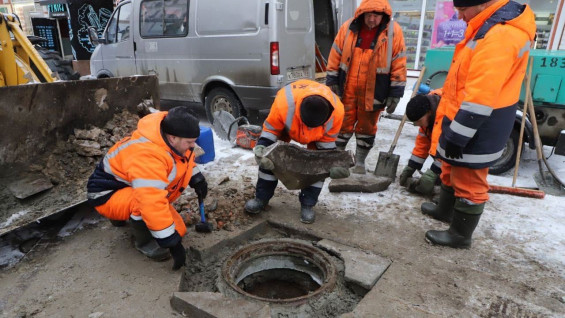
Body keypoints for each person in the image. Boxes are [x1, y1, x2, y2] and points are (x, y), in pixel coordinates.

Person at [423, 0, 536, 248]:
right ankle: (445, 211)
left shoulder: (500, 34)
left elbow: (481, 95)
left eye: (463, 10)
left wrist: (458, 135)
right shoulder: (487, 27)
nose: (461, 17)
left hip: (480, 120)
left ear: (482, 4)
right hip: (465, 114)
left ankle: (460, 235)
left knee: (470, 180)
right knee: (451, 169)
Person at [86, 106, 208, 270]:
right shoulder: (148, 156)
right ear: (172, 138)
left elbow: (183, 160)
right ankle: (145, 243)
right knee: (146, 208)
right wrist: (170, 243)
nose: (193, 146)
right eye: (190, 142)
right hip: (104, 194)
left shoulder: (170, 138)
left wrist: (196, 177)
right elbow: (150, 202)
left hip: (123, 185)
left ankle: (121, 215)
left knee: (179, 230)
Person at [244, 79, 349, 224]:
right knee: (270, 159)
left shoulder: (337, 112)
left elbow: (326, 149)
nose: (309, 130)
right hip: (288, 128)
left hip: (318, 138)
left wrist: (331, 165)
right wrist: (262, 148)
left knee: (318, 168)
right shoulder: (284, 103)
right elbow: (270, 130)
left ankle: (308, 204)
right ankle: (261, 198)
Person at [326, 0, 407, 174]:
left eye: (376, 15)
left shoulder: (393, 32)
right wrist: (332, 80)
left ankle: (360, 162)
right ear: (362, 14)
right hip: (347, 87)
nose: (372, 19)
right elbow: (335, 54)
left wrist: (396, 91)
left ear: (383, 15)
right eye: (368, 15)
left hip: (375, 89)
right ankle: (339, 159)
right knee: (342, 123)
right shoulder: (348, 28)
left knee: (367, 126)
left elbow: (398, 62)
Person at [399, 93, 442, 196]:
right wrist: (412, 166)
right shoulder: (427, 111)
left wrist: (434, 172)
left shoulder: (446, 115)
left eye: (419, 121)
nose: (417, 125)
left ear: (429, 112)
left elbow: (448, 149)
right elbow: (423, 144)